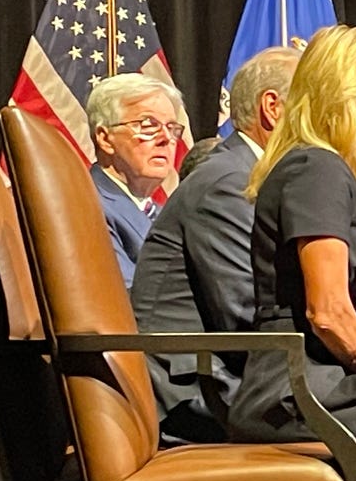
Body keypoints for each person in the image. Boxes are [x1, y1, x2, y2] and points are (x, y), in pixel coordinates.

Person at [230, 24, 356, 444]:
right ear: (345, 91)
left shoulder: (320, 167)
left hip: (309, 382)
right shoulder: (317, 168)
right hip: (297, 396)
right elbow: (327, 312)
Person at [131, 47, 299, 443]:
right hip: (196, 392)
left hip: (227, 375)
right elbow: (246, 312)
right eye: (315, 105)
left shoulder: (249, 176)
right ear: (273, 109)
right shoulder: (229, 182)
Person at [85, 73, 184, 289]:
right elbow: (126, 302)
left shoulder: (162, 212)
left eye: (172, 127)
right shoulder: (87, 205)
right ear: (105, 138)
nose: (166, 138)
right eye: (148, 125)